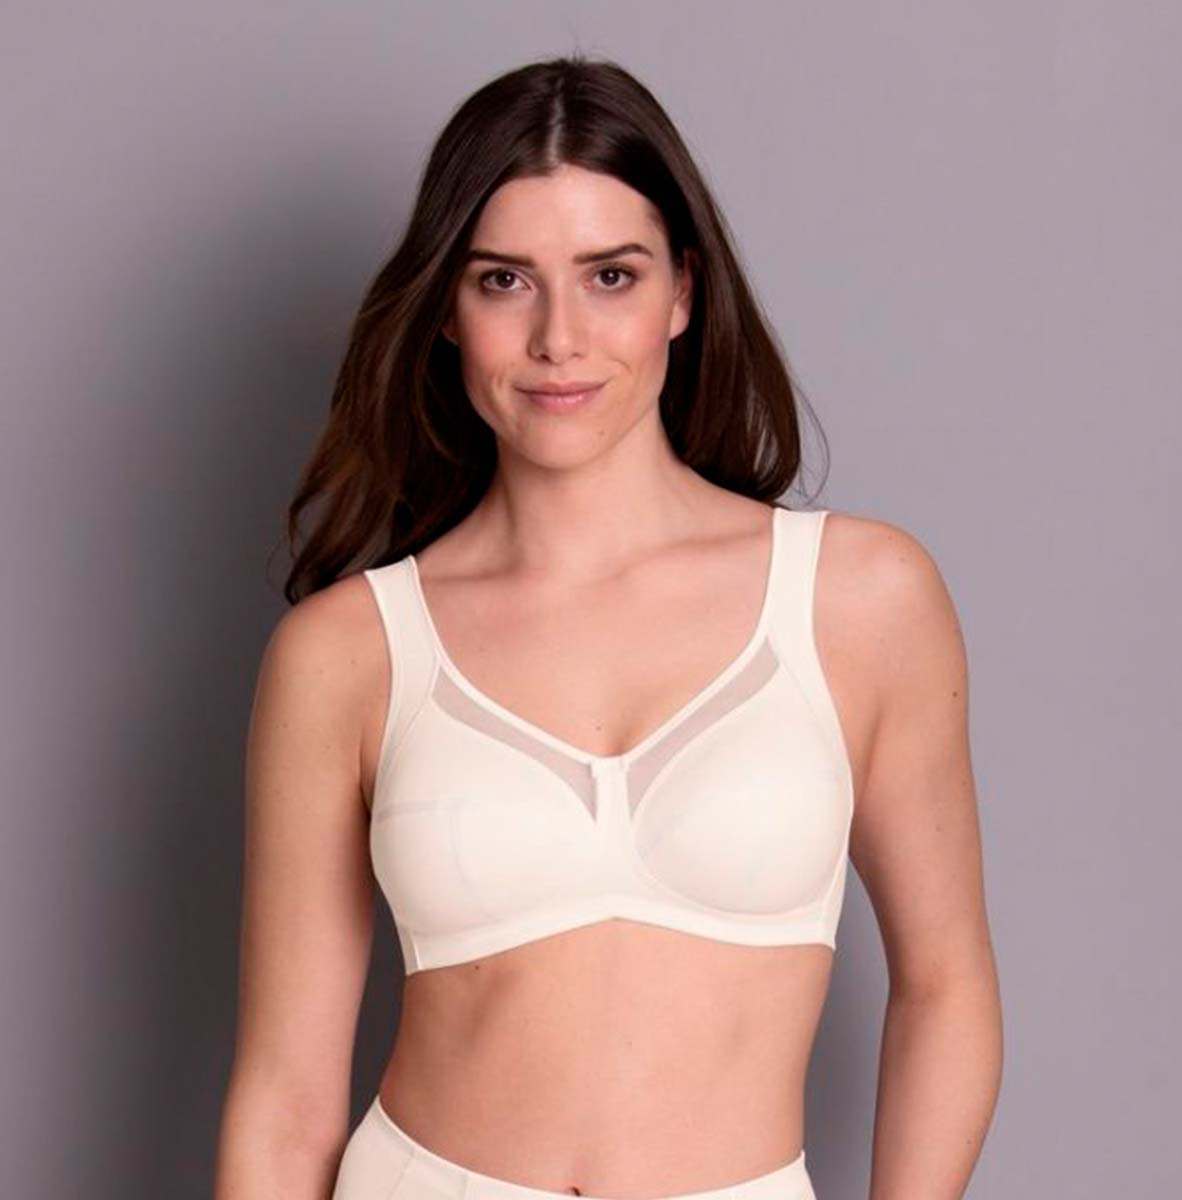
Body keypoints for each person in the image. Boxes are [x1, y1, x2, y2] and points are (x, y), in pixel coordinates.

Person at [213, 53, 1002, 1200]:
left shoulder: (860, 600)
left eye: (610, 277)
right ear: (447, 311)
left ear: (683, 292)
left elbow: (946, 988)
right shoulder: (346, 654)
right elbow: (284, 1104)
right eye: (503, 281)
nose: (559, 338)